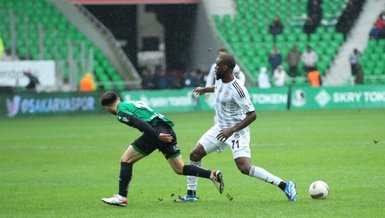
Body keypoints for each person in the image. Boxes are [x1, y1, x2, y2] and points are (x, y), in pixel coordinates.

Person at [177, 54, 297, 202]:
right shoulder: (220, 79)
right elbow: (219, 88)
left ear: (225, 68)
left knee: (244, 168)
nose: (215, 68)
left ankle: (285, 185)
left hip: (236, 132)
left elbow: (252, 115)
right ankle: (191, 194)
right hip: (220, 128)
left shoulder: (239, 89)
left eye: (218, 66)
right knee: (195, 154)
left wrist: (231, 130)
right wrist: (205, 89)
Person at [99, 91, 224, 207]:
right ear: (118, 98)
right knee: (179, 168)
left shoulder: (121, 113)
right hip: (168, 130)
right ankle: (212, 175)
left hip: (156, 133)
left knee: (126, 160)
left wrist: (157, 135)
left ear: (107, 107)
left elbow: (138, 122)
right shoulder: (130, 103)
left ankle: (121, 197)